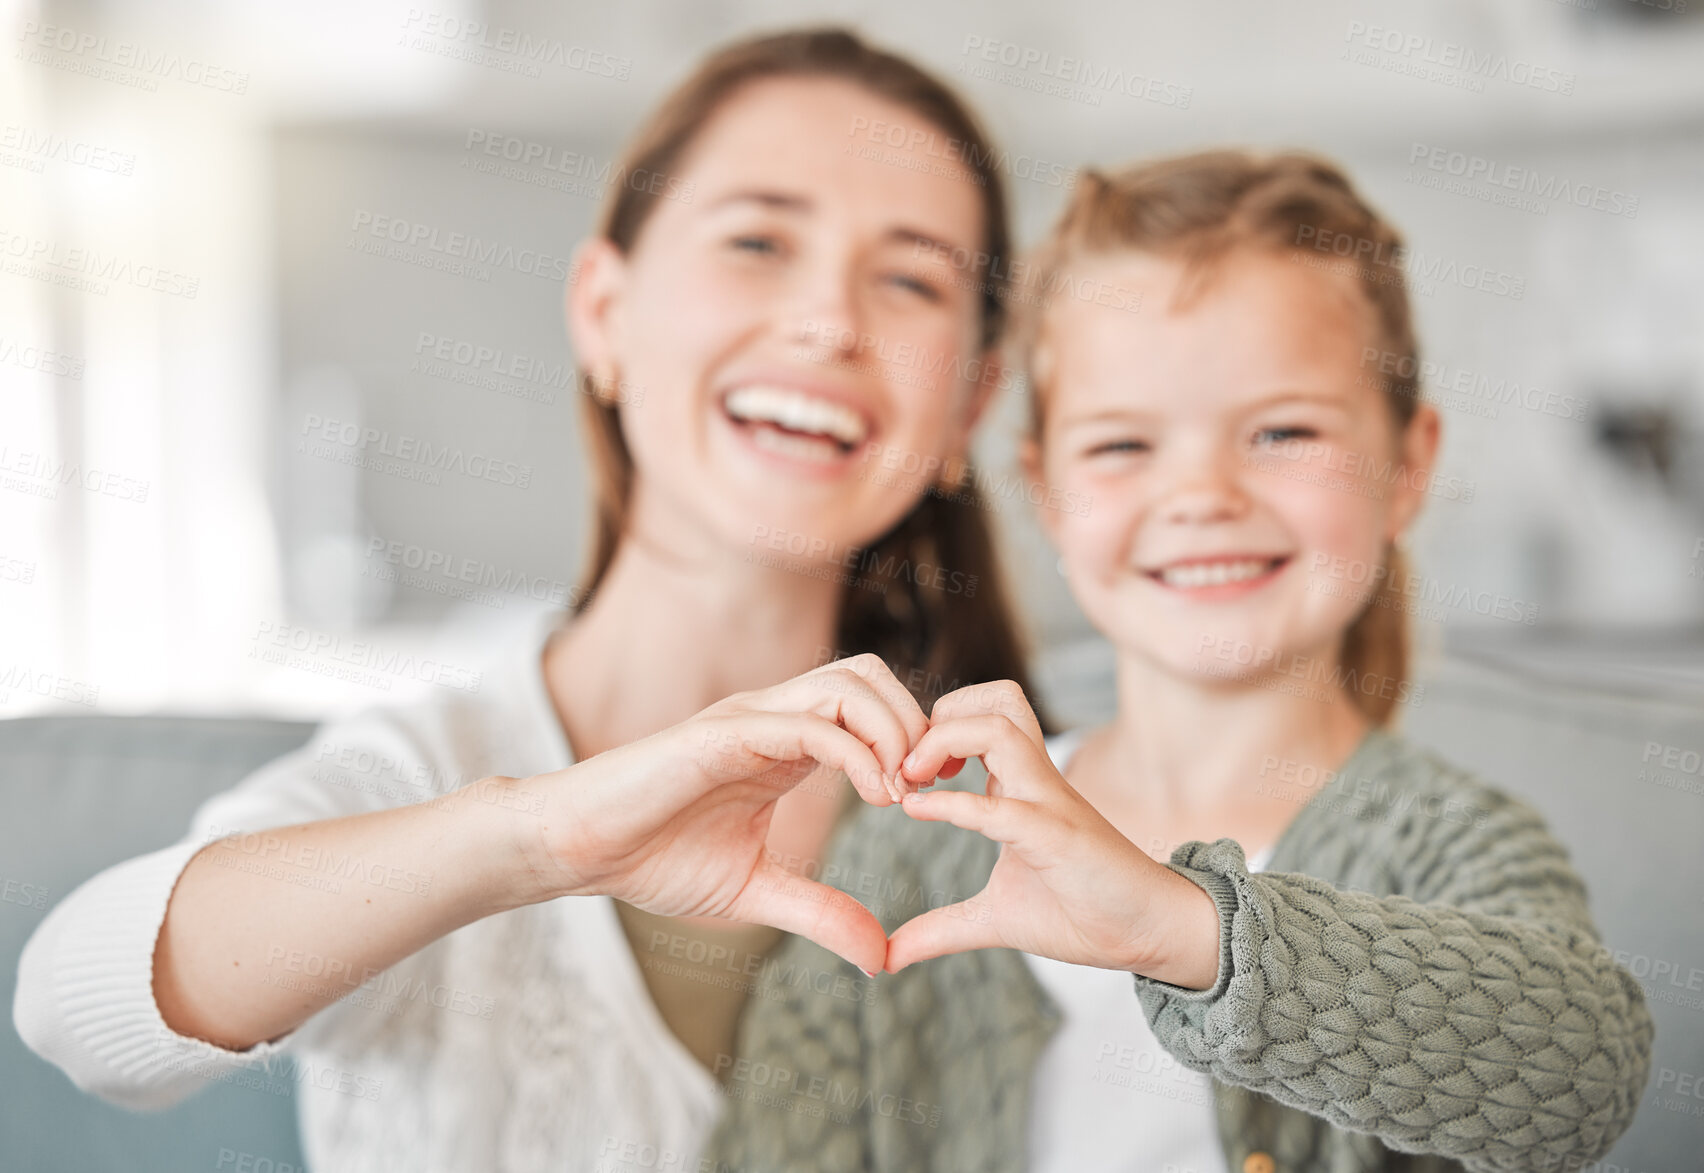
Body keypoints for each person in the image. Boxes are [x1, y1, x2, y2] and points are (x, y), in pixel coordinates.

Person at [13, 28, 1043, 1172]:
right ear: (603, 311)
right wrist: (545, 839)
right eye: (757, 241)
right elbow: (78, 1000)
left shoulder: (1030, 812)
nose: (828, 324)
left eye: (909, 277)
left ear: (971, 403)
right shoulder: (427, 764)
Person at [706, 151, 1655, 1173]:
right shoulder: (915, 847)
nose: (1201, 494)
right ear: (1047, 493)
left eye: (1282, 431)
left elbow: (1581, 1077)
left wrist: (1183, 929)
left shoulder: (1446, 845)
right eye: (1123, 446)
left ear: (1408, 466)